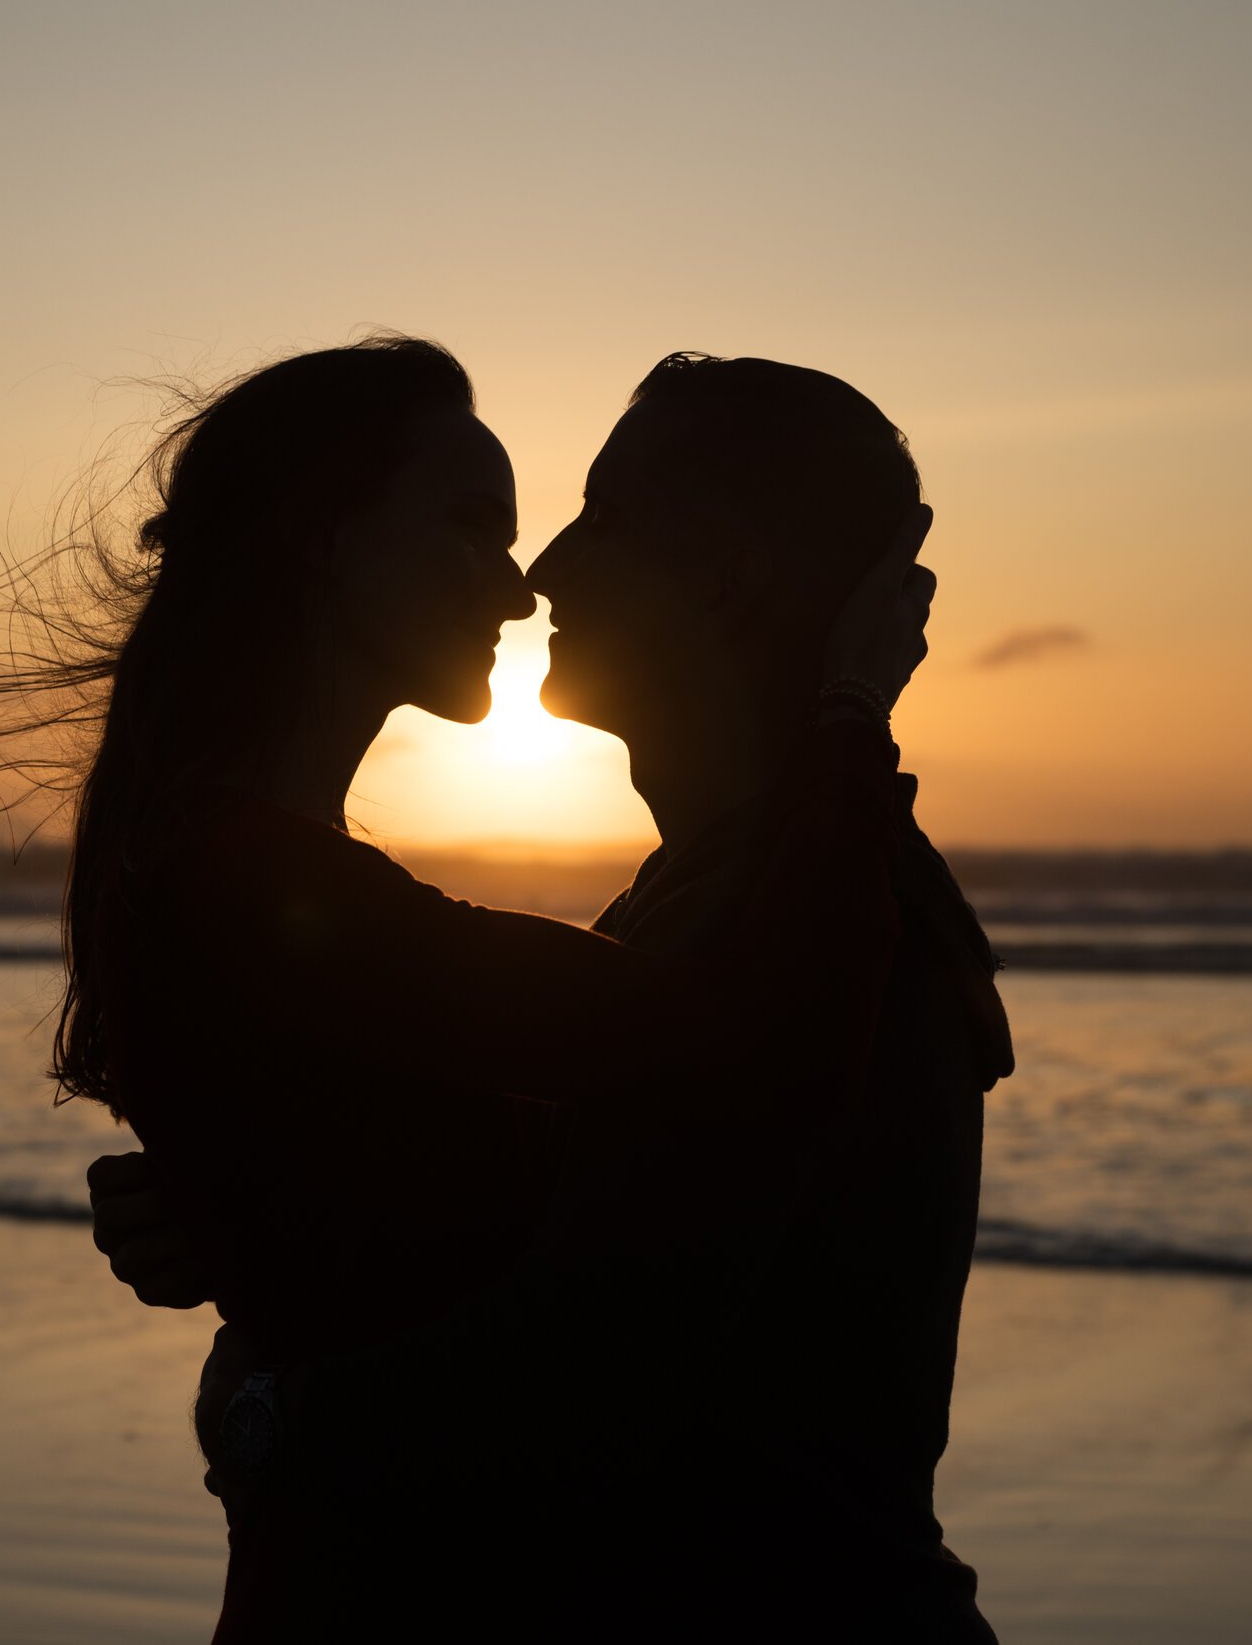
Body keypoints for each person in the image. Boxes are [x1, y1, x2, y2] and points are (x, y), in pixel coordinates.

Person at [90, 352, 1012, 1640]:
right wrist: (289, 1205)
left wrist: (270, 1388)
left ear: (724, 577)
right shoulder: (731, 911)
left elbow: (578, 1362)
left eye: (605, 519)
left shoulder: (827, 923)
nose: (545, 576)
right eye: (488, 528)